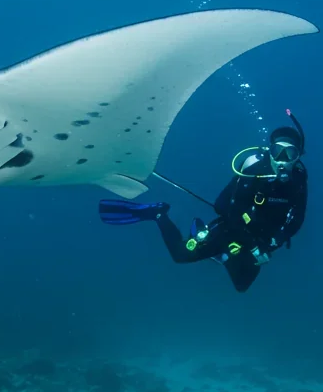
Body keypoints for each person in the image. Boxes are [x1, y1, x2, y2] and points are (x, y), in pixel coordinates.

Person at [99, 112, 308, 292]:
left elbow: (297, 218)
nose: (281, 159)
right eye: (277, 152)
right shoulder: (254, 172)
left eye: (289, 153)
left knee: (242, 285)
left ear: (297, 157)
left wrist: (275, 240)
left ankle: (223, 255)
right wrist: (253, 244)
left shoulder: (298, 181)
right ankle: (158, 214)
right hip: (233, 230)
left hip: (262, 240)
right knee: (180, 255)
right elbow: (229, 209)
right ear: (269, 152)